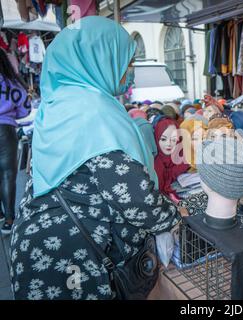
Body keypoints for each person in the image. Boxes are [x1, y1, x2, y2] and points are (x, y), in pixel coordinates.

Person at [10, 16, 180, 300]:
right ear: (99, 59)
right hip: (74, 258)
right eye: (126, 62)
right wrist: (173, 216)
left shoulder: (57, 104)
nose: (129, 71)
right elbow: (134, 199)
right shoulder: (95, 111)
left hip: (37, 244)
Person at [0, 48, 30, 234]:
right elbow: (25, 109)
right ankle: (9, 220)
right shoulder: (11, 83)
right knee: (8, 175)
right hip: (6, 131)